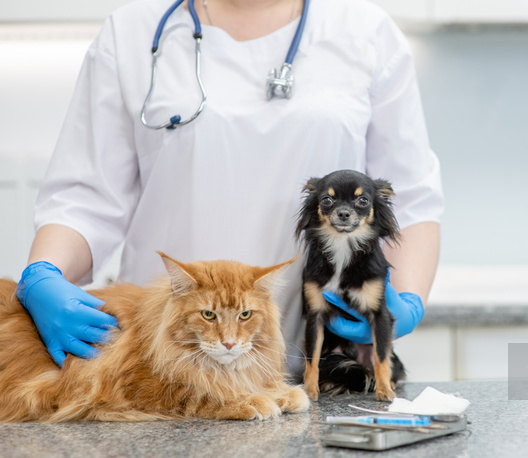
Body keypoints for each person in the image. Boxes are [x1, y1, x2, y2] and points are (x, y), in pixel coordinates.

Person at [16, 0, 444, 377]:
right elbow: (84, 198)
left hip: (317, 368)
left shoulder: (367, 32)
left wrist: (406, 302)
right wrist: (43, 273)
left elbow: (407, 198)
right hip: (166, 370)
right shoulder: (131, 32)